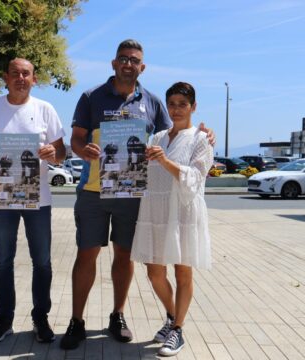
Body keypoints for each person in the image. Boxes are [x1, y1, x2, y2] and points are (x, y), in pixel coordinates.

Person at [61, 39, 214, 350]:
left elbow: (173, 138)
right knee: (87, 253)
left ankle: (117, 315)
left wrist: (205, 133)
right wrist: (83, 150)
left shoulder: (153, 102)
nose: (128, 64)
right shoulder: (91, 96)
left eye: (134, 60)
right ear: (114, 63)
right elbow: (75, 140)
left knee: (124, 256)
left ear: (142, 67)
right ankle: (76, 320)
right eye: (123, 59)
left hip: (131, 194)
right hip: (93, 190)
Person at [0, 58, 66, 344]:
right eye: (15, 74)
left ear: (34, 79)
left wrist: (53, 153)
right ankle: (4, 319)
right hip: (2, 199)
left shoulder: (45, 109)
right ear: (6, 77)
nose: (21, 78)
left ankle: (41, 318)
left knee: (43, 262)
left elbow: (61, 153)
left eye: (26, 74)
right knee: (3, 261)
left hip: (39, 201)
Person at [131, 82, 213, 356]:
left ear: (193, 107)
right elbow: (144, 172)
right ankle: (171, 315)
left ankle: (177, 330)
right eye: (172, 103)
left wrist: (164, 161)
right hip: (155, 208)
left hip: (183, 211)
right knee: (154, 271)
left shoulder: (201, 139)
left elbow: (195, 178)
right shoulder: (158, 137)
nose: (177, 109)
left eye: (183, 104)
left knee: (182, 271)